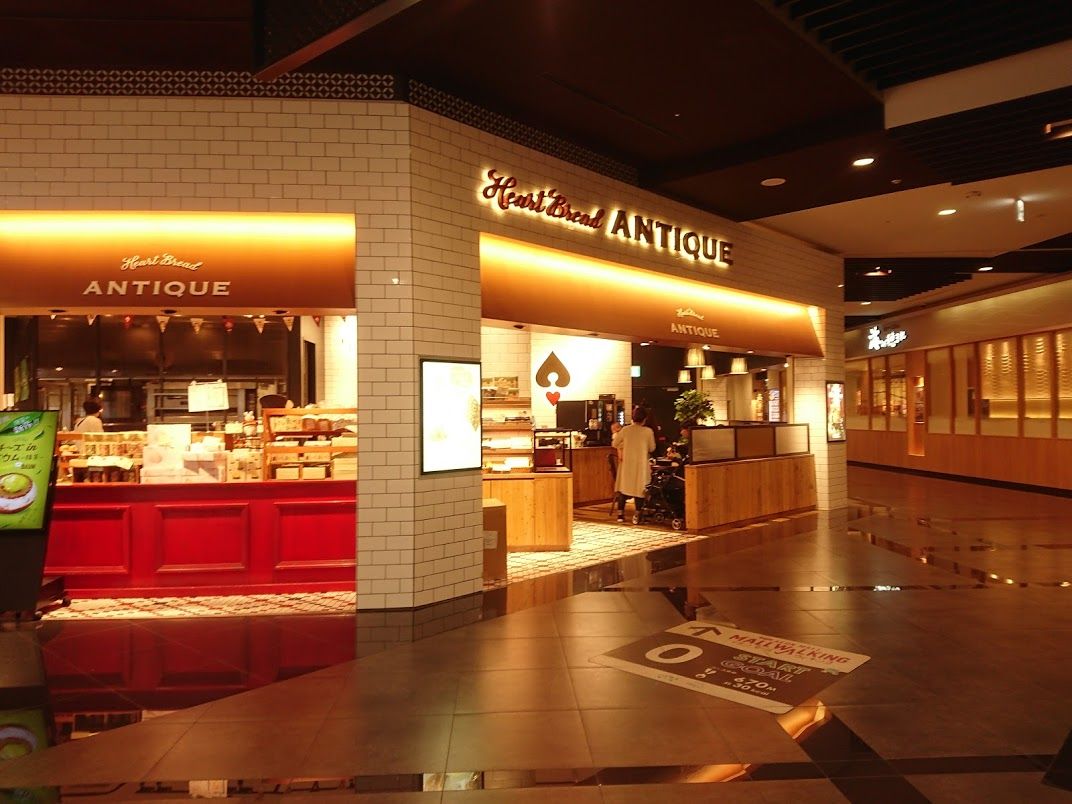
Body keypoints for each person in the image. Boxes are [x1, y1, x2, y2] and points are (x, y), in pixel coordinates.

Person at [612, 406, 656, 523]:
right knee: (639, 489)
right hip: (641, 465)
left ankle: (620, 514)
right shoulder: (648, 431)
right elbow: (652, 448)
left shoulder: (625, 430)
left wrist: (624, 446)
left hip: (626, 464)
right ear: (645, 418)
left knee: (623, 488)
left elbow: (615, 443)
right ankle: (637, 515)